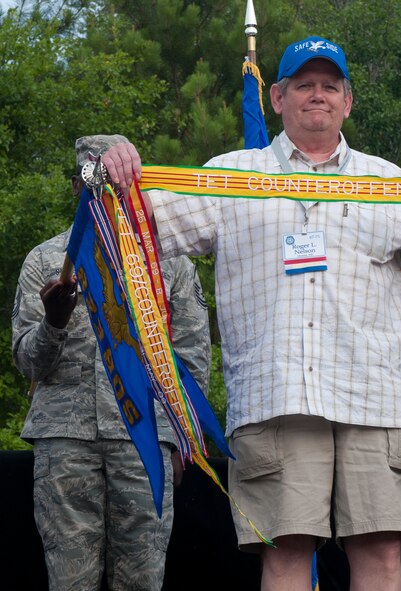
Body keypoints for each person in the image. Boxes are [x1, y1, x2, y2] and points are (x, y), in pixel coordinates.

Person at [102, 35, 401, 591]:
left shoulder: (387, 180)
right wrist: (107, 161)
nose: (316, 95)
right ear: (277, 97)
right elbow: (132, 226)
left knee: (381, 555)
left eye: (330, 86)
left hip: (376, 399)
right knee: (286, 555)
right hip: (275, 398)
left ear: (347, 101)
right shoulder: (229, 177)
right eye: (304, 84)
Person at [12, 134, 212, 591]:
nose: (107, 195)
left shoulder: (169, 262)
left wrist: (184, 439)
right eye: (95, 185)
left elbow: (192, 356)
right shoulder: (46, 261)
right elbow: (28, 362)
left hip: (145, 440)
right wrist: (53, 324)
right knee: (70, 580)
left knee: (142, 578)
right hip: (66, 441)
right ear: (78, 189)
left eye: (116, 184)